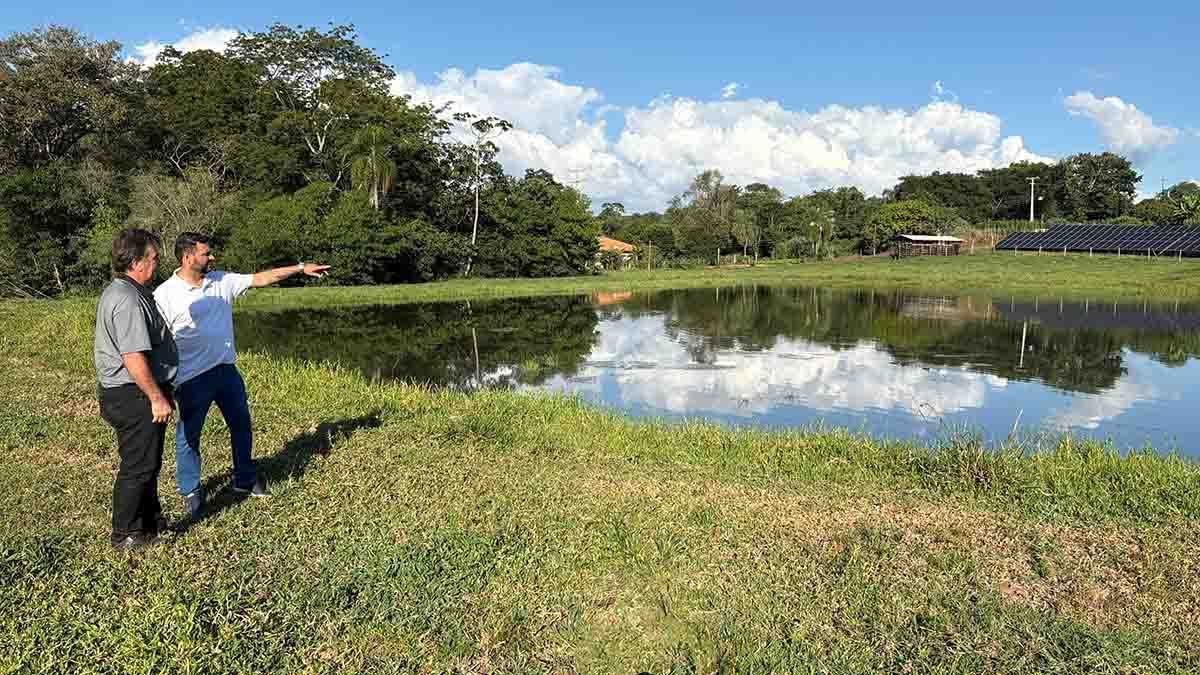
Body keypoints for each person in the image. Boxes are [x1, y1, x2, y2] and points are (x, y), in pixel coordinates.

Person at [153, 232, 329, 517]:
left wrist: (300, 268)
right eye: (206, 253)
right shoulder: (164, 294)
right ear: (187, 257)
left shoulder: (222, 280)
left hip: (226, 372)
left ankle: (244, 479)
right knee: (189, 436)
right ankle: (191, 491)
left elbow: (262, 278)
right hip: (190, 378)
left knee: (241, 425)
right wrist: (162, 385)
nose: (213, 257)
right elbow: (157, 342)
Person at [94, 229, 178, 551]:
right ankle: (126, 534)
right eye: (154, 258)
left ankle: (150, 520)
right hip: (133, 394)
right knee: (138, 465)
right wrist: (156, 397)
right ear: (137, 261)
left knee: (148, 460)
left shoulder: (129, 291)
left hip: (134, 392)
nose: (157, 263)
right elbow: (133, 357)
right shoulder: (127, 299)